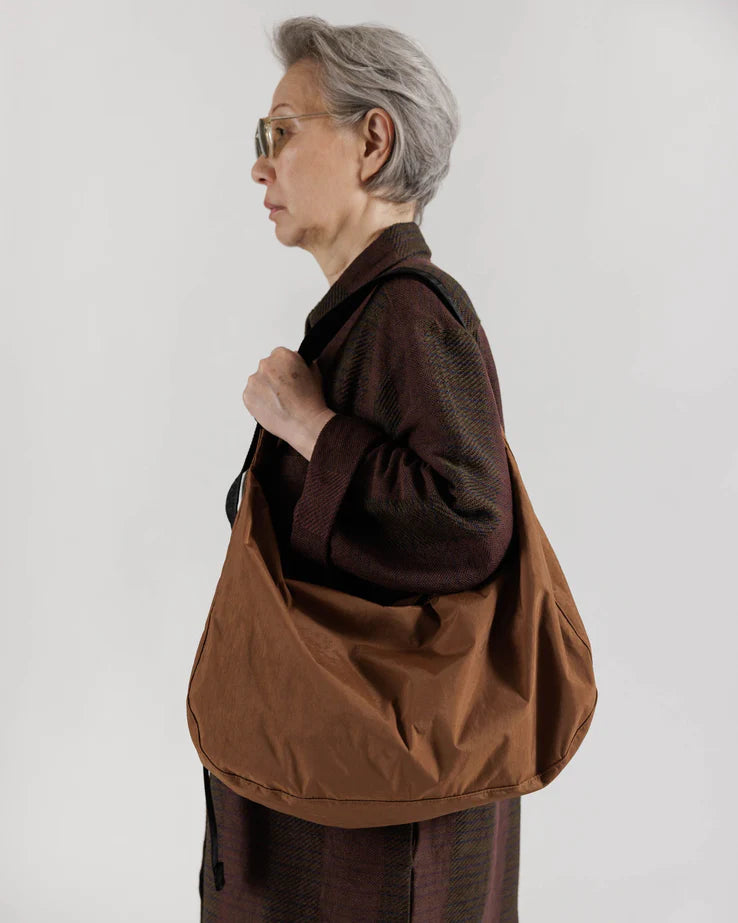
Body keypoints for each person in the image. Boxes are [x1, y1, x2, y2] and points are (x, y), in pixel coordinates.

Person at [199, 15, 521, 922]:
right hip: (359, 777)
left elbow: (468, 522)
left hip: (382, 818)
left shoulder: (413, 312)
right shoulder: (368, 313)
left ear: (373, 141)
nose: (260, 166)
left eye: (280, 131)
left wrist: (311, 426)